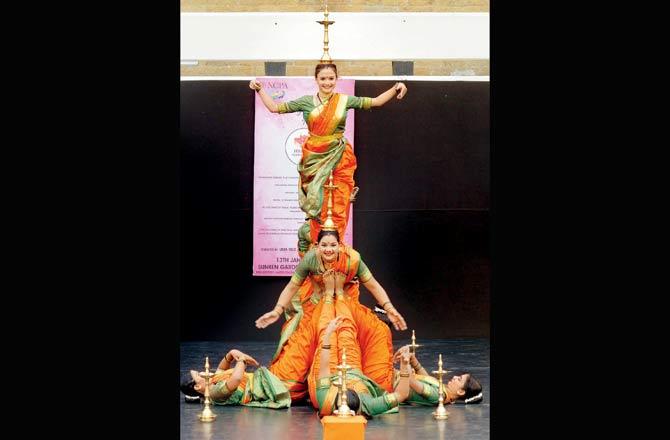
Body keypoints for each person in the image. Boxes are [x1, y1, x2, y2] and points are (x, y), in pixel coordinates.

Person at [249, 63, 408, 250]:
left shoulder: (344, 100)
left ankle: (336, 247)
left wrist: (396, 85)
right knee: (317, 204)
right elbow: (275, 108)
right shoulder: (305, 102)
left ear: (336, 79)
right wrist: (259, 90)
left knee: (339, 202)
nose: (327, 82)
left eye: (331, 78)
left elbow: (376, 102)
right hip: (314, 160)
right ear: (316, 80)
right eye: (323, 78)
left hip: (340, 158)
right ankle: (317, 249)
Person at [255, 228, 408, 403]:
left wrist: (389, 308)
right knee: (302, 344)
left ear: (340, 245)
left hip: (347, 304)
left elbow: (373, 285)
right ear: (317, 246)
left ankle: (361, 381)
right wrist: (277, 310)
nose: (329, 249)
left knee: (378, 332)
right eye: (324, 245)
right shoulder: (310, 259)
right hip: (318, 306)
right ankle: (313, 385)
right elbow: (292, 286)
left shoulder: (353, 260)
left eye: (333, 245)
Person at [310, 298, 412, 417]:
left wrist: (327, 335)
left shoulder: (326, 399)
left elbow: (324, 366)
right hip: (353, 367)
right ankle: (340, 295)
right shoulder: (368, 405)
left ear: (336, 410)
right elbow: (401, 394)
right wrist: (404, 365)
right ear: (356, 412)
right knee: (346, 334)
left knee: (329, 331)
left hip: (332, 373)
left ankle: (330, 296)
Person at [180, 348, 291, 409]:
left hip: (265, 380)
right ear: (197, 386)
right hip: (268, 389)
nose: (203, 372)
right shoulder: (215, 393)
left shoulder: (213, 382)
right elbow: (236, 379)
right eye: (199, 375)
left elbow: (221, 370)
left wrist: (230, 354)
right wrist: (241, 360)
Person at [391, 345, 484, 405]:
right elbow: (426, 378)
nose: (454, 377)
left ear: (461, 391)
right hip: (392, 375)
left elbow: (411, 382)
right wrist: (412, 360)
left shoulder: (438, 396)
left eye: (459, 379)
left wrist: (405, 361)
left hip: (388, 383)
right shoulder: (443, 390)